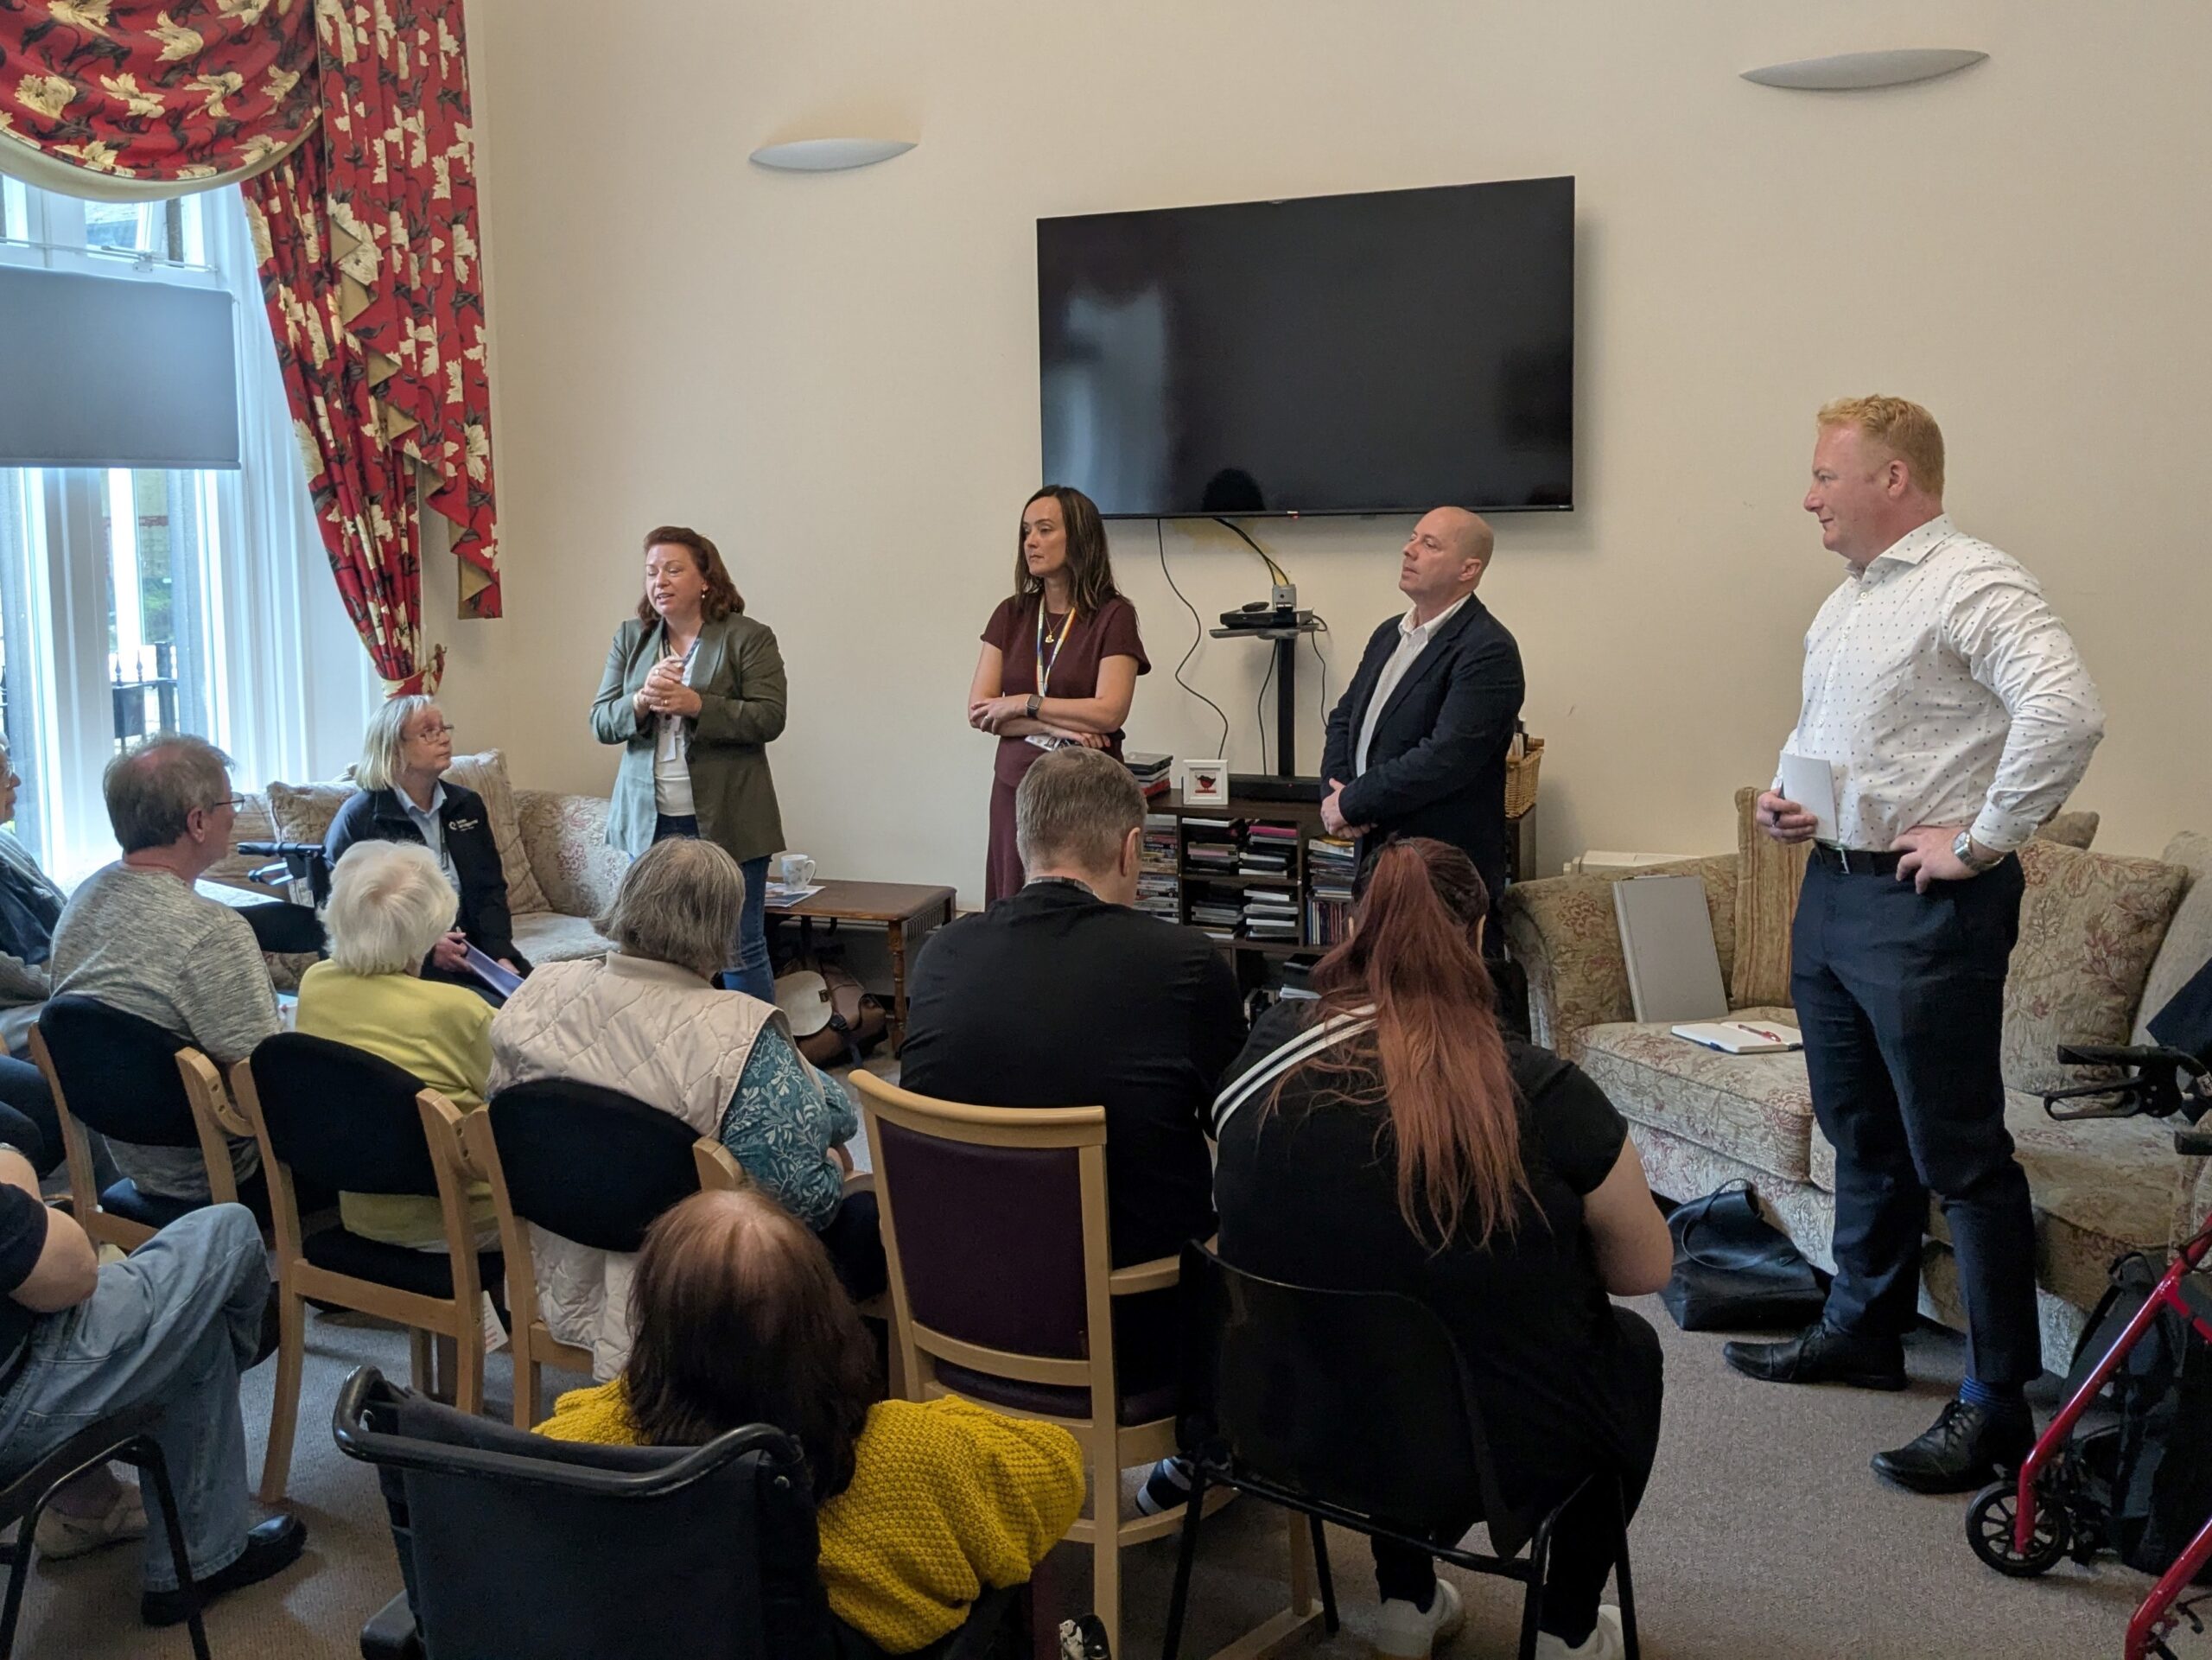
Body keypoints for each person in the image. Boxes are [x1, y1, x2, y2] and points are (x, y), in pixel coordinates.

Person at [1726, 396, 2106, 1494]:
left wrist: (1981, 839)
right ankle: (1862, 1326)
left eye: (1823, 477)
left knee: (1960, 1155)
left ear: (1892, 480)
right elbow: (1840, 733)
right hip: (1834, 891)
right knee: (1858, 1128)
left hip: (1923, 909)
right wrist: (1796, 802)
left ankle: (1993, 1402)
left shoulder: (1972, 580)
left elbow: (2065, 711)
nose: (1807, 497)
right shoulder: (1847, 601)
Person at [1214, 837, 1671, 1660]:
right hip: (1482, 1457)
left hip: (1285, 1422)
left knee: (1377, 1321)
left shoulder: (1265, 1053)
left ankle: (1406, 1600)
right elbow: (1646, 1269)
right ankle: (1566, 1629)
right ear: (1479, 932)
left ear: (1352, 924)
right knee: (1628, 1353)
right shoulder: (1540, 1089)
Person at [899, 746, 1243, 1510]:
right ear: (1131, 850)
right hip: (1130, 1334)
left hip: (957, 1308)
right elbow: (1242, 1127)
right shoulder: (1184, 964)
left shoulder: (939, 955)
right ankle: (1203, 1458)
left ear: (1024, 845)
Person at [537, 1187, 1085, 1654]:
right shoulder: (915, 1460)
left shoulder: (581, 1459)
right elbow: (1057, 1468)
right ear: (831, 1321)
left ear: (654, 1337)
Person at [488, 836, 878, 1377]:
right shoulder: (737, 1028)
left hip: (563, 1254)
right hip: (694, 1294)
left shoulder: (536, 991)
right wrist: (837, 1163)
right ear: (723, 927)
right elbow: (805, 1196)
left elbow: (503, 1120)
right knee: (864, 1212)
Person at [0, 1144, 304, 1625]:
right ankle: (198, 1560)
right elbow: (73, 1271)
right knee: (231, 1233)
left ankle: (188, 1557)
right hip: (20, 1395)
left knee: (188, 1325)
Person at [48, 735, 277, 1205]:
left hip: (129, 1160)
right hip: (226, 1171)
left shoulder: (82, 903)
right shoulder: (213, 932)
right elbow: (266, 1078)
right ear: (197, 822)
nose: (233, 814)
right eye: (228, 802)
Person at [590, 525, 786, 1002]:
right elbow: (601, 721)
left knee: (740, 946)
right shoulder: (631, 639)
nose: (660, 581)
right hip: (652, 820)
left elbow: (770, 716)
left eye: (674, 569)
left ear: (705, 579)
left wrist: (696, 703)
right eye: (651, 572)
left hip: (730, 817)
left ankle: (758, 1055)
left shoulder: (748, 637)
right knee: (652, 949)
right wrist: (640, 700)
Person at [1319, 506, 1525, 935]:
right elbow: (1344, 720)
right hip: (1376, 860)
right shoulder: (1388, 634)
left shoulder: (1488, 650)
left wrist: (1353, 803)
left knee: (1432, 1003)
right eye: (1413, 537)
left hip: (1439, 876)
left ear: (1469, 569)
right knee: (1373, 994)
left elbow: (1445, 758)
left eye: (1429, 544)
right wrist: (1335, 795)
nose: (1408, 550)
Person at [294, 841, 498, 1251]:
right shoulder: (460, 1010)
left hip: (360, 1207)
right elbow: (517, 1108)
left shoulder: (314, 983)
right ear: (431, 925)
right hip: (467, 1221)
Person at [965, 486, 1149, 905]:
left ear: (1079, 537)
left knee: (1084, 913)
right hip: (1018, 787)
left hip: (1087, 794)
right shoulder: (1010, 613)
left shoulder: (1113, 615)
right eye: (1026, 531)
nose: (1031, 541)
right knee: (1015, 905)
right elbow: (980, 710)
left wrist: (1023, 702)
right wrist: (1050, 721)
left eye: (1044, 530)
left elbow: (1110, 712)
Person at [324, 695, 527, 990]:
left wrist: (500, 955)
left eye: (444, 728)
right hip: (400, 965)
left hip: (473, 952)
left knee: (543, 1009)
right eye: (428, 732)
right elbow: (352, 918)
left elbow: (490, 889)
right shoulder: (361, 819)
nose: (443, 738)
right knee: (487, 1019)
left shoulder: (466, 804)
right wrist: (429, 951)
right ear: (394, 748)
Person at [0, 736, 68, 1173]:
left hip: (53, 981)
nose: (18, 781)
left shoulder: (8, 844)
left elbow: (61, 907)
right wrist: (69, 982)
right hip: (17, 1005)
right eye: (5, 773)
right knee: (86, 1023)